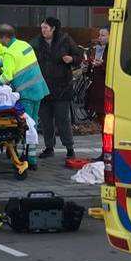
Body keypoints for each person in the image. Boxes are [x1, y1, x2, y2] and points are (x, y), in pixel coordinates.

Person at [0, 24, 50, 169]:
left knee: (24, 125)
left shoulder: (9, 53)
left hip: (26, 92)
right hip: (38, 89)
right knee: (33, 124)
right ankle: (31, 156)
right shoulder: (25, 44)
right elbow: (22, 63)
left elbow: (7, 76)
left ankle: (26, 157)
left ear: (5, 37)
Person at [32, 17, 81, 159]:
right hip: (43, 87)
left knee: (63, 119)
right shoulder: (36, 42)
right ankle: (49, 147)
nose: (43, 31)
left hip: (62, 87)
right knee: (46, 120)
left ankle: (69, 147)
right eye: (42, 28)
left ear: (53, 28)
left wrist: (71, 59)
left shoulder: (65, 39)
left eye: (46, 28)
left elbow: (78, 56)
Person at [86, 26, 110, 125]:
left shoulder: (112, 50)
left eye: (103, 35)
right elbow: (92, 70)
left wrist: (102, 65)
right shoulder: (97, 49)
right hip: (96, 89)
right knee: (101, 120)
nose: (100, 37)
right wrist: (86, 68)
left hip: (105, 89)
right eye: (99, 35)